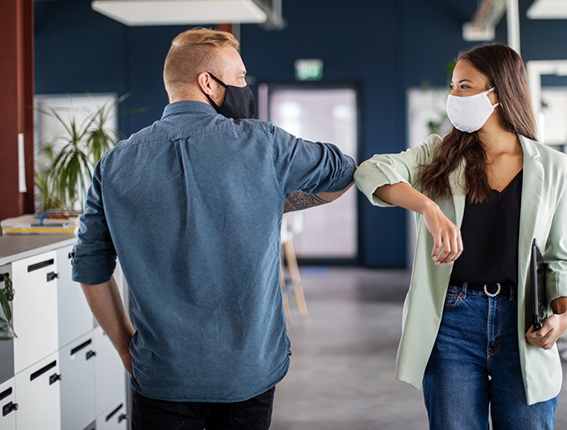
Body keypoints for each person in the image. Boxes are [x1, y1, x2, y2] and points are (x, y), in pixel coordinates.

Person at [71, 28, 355, 430]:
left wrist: (123, 346)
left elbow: (90, 267)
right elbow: (343, 173)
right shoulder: (264, 144)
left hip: (160, 375)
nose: (244, 87)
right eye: (239, 78)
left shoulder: (114, 164)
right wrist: (280, 200)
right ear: (208, 82)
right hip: (248, 372)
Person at [354, 43, 567, 429]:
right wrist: (428, 207)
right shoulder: (439, 154)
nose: (453, 97)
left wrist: (565, 312)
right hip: (453, 321)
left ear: (499, 92)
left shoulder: (553, 166)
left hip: (522, 322)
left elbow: (557, 255)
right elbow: (370, 173)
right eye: (453, 86)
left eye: (464, 87)